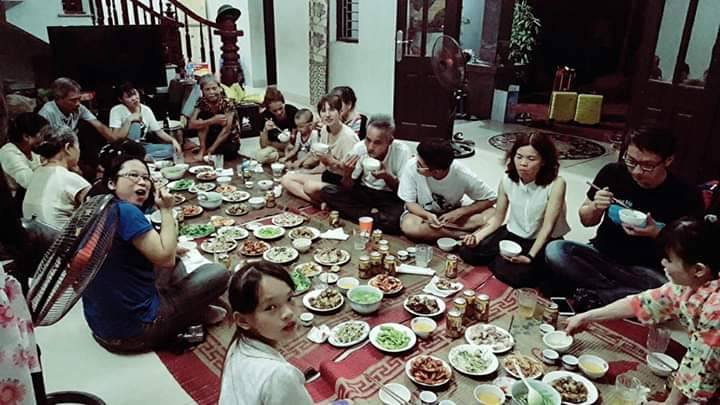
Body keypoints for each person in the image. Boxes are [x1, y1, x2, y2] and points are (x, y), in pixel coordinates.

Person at [544, 127, 705, 309]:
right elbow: (586, 220)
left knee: (666, 288)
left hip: (645, 268)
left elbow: (692, 250)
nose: (636, 171)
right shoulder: (612, 173)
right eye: (631, 161)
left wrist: (658, 233)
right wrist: (595, 207)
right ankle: (613, 295)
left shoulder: (686, 194)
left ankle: (595, 294)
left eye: (647, 166)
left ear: (668, 160)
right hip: (601, 254)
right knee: (556, 250)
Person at [82, 156, 229, 353]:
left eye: (146, 177)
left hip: (102, 329)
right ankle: (192, 313)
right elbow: (165, 259)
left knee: (177, 263)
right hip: (138, 333)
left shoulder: (99, 207)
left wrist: (169, 250)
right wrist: (167, 209)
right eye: (133, 175)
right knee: (218, 273)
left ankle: (191, 308)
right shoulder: (126, 212)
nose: (142, 181)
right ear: (111, 182)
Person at [565, 217, 720, 404]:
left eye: (669, 260)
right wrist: (586, 317)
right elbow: (642, 302)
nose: (663, 263)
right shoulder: (691, 283)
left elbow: (702, 361)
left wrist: (670, 403)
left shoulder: (716, 308)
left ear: (699, 269)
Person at [458, 132, 569, 287]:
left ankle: (500, 260)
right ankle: (499, 259)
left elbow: (548, 227)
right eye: (519, 156)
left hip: (542, 239)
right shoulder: (507, 180)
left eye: (531, 159)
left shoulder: (556, 184)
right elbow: (498, 218)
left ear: (544, 161)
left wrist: (530, 256)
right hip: (513, 232)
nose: (523, 163)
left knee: (520, 276)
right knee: (467, 251)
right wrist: (477, 236)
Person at [219, 261, 313, 405]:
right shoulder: (279, 376)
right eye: (271, 307)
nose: (288, 313)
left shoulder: (238, 345)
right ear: (243, 321)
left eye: (289, 298)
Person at [321, 115, 411, 234]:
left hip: (388, 196)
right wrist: (347, 174)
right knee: (328, 191)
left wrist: (387, 177)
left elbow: (402, 193)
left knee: (397, 219)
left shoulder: (402, 152)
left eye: (377, 143)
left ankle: (362, 216)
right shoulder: (360, 148)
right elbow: (348, 186)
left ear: (390, 141)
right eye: (368, 140)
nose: (370, 147)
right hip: (364, 192)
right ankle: (373, 216)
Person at [398, 139, 496, 241]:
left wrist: (460, 212)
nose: (416, 164)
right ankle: (459, 235)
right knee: (409, 227)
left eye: (420, 165)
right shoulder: (411, 166)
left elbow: (491, 198)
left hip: (452, 215)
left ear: (437, 171)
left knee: (493, 213)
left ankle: (439, 232)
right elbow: (410, 203)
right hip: (421, 215)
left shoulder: (462, 174)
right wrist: (427, 215)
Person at [280, 94, 359, 204]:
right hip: (329, 176)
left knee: (309, 187)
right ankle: (318, 202)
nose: (327, 115)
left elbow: (354, 176)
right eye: (323, 111)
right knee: (286, 178)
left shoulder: (348, 137)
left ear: (340, 112)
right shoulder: (324, 130)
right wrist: (304, 172)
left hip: (344, 183)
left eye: (331, 110)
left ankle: (326, 202)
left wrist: (331, 161)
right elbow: (323, 166)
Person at [38, 77, 119, 180]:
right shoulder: (46, 113)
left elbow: (99, 126)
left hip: (73, 149)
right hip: (55, 155)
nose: (77, 103)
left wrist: (116, 142)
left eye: (79, 99)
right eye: (73, 100)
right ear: (58, 99)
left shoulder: (79, 108)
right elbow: (43, 147)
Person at [22, 126, 90, 230]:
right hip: (62, 242)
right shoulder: (70, 178)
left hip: (34, 240)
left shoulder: (37, 173)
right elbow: (96, 215)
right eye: (78, 147)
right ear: (68, 148)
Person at [109, 82, 181, 161]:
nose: (134, 98)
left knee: (172, 149)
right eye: (129, 97)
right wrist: (129, 120)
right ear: (120, 99)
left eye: (135, 94)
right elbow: (115, 137)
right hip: (124, 148)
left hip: (141, 146)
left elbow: (159, 132)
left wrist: (173, 140)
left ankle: (141, 158)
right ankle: (134, 157)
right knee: (135, 124)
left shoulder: (146, 110)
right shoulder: (117, 110)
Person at [188, 75, 241, 160]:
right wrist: (212, 121)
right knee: (202, 118)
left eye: (214, 88)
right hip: (210, 136)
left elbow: (226, 131)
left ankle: (208, 151)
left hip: (228, 139)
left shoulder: (228, 103)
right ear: (202, 91)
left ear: (220, 88)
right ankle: (202, 149)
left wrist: (211, 150)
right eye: (207, 89)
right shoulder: (202, 102)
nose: (211, 92)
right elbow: (191, 124)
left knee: (226, 154)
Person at [0, 113, 47, 200]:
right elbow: (30, 183)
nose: (44, 139)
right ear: (26, 137)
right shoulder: (9, 153)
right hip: (13, 202)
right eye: (41, 134)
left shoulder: (33, 151)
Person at [256, 86, 299, 164]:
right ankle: (285, 156)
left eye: (280, 108)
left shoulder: (292, 112)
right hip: (276, 149)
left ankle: (285, 157)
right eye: (274, 111)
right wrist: (265, 130)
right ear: (269, 109)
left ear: (283, 103)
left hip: (293, 147)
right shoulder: (264, 117)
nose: (278, 113)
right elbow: (263, 145)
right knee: (261, 156)